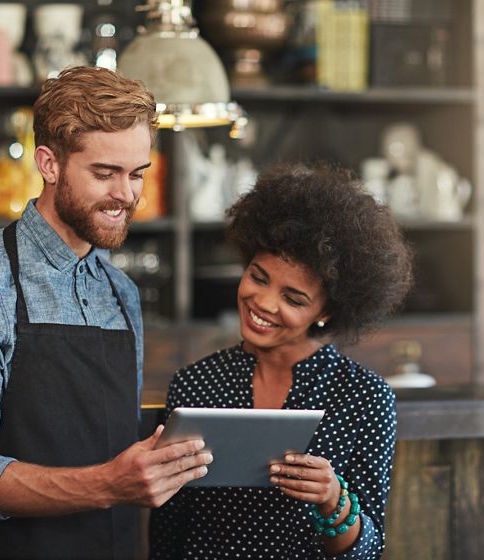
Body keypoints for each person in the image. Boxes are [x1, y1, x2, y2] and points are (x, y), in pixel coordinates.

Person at [0, 66, 211, 560]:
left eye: (137, 173)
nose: (127, 195)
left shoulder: (121, 291)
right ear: (49, 164)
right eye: (104, 173)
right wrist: (107, 485)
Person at [149, 164, 413, 559]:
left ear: (327, 311)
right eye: (258, 277)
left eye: (293, 299)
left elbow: (366, 552)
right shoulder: (195, 384)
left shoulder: (364, 397)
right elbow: (168, 532)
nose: (264, 304)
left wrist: (332, 497)